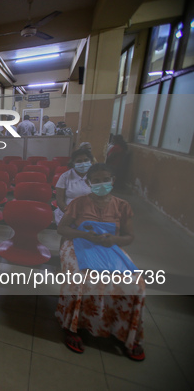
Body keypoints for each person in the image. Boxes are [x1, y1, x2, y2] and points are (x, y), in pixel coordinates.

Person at [56, 163, 145, 361]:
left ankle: (125, 332)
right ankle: (72, 326)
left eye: (106, 179)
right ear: (89, 183)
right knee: (81, 278)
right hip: (79, 242)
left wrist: (114, 240)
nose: (101, 183)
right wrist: (84, 235)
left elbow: (129, 237)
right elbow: (62, 229)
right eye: (96, 180)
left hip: (110, 245)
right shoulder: (78, 203)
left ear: (113, 180)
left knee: (135, 283)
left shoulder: (122, 206)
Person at [54, 149, 94, 225]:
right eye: (79, 161)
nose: (83, 163)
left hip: (90, 213)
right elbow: (60, 201)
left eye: (86, 160)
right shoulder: (65, 177)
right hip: (67, 213)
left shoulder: (94, 176)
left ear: (91, 161)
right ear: (73, 163)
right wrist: (71, 215)